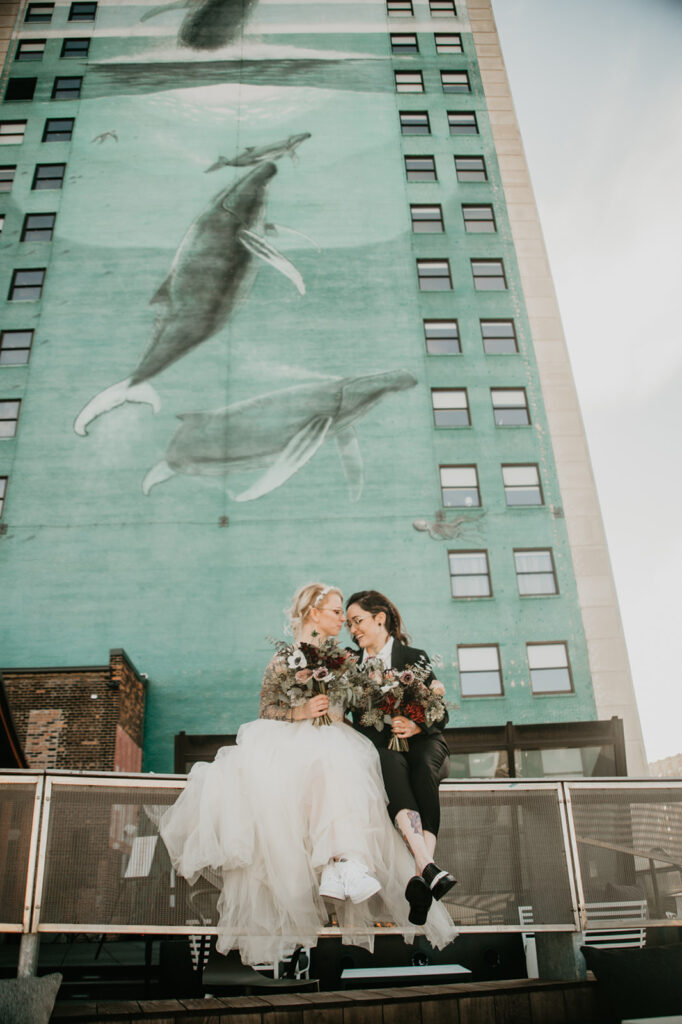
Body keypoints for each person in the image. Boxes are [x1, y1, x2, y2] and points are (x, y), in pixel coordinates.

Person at [159, 582, 456, 966]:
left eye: (347, 616)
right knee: (322, 773)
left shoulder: (344, 659)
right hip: (294, 742)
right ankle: (335, 864)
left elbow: (368, 696)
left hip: (339, 738)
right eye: (336, 612)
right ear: (314, 612)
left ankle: (349, 863)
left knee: (351, 769)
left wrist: (409, 707)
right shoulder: (285, 659)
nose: (343, 622)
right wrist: (300, 712)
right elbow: (267, 707)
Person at [345, 590, 457, 925]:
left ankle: (422, 869)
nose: (353, 630)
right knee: (388, 762)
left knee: (423, 768)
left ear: (380, 618)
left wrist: (415, 724)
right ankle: (426, 872)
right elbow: (355, 721)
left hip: (426, 744)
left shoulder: (413, 656)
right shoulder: (352, 666)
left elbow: (441, 714)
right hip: (384, 749)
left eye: (358, 621)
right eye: (349, 624)